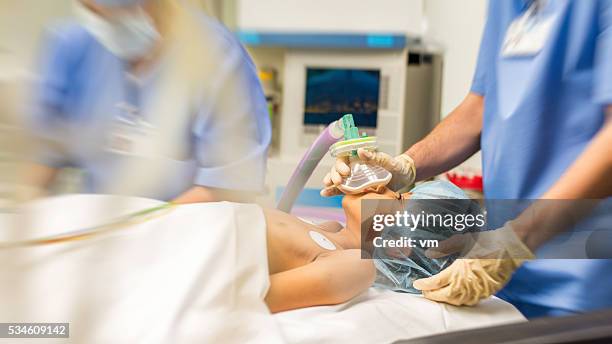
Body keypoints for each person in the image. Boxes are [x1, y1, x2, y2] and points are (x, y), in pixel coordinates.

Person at [323, 0, 612, 318]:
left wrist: (515, 241)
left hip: (582, 272)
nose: (383, 197)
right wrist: (407, 165)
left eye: (400, 199)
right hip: (502, 279)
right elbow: (479, 109)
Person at [27, 0, 270, 203]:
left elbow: (227, 186)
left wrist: (140, 231)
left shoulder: (215, 56)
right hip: (99, 232)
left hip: (186, 235)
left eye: (120, 11)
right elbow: (42, 154)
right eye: (92, 11)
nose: (103, 20)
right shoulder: (75, 45)